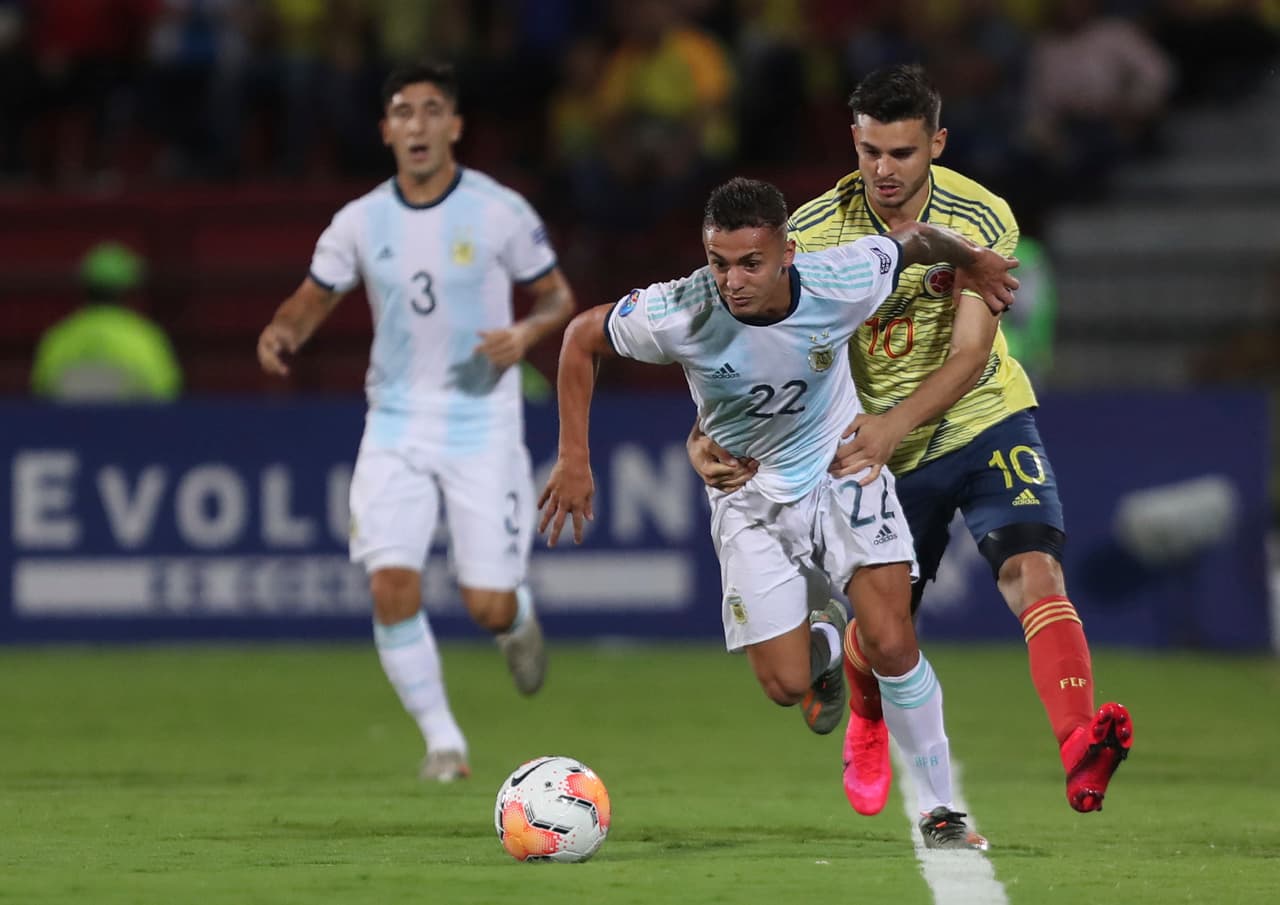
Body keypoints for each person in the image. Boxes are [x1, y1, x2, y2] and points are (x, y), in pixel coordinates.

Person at [688, 64, 1133, 818]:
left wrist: (895, 423)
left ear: (937, 143)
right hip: (870, 449)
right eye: (870, 152)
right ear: (854, 142)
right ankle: (865, 721)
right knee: (885, 632)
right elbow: (756, 344)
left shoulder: (980, 215)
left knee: (1033, 570)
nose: (884, 170)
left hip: (980, 416)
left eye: (902, 152)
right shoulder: (812, 233)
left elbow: (971, 352)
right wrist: (703, 432)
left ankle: (1078, 744)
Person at [539, 177, 1017, 849]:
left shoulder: (839, 279)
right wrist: (574, 457)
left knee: (890, 638)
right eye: (719, 262)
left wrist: (974, 259)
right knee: (786, 686)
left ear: (787, 253)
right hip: (747, 497)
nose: (732, 281)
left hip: (840, 468)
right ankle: (826, 643)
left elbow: (913, 240)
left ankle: (943, 809)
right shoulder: (680, 309)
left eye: (750, 263)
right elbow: (580, 337)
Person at [256, 61, 576, 783]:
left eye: (432, 110)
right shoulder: (360, 220)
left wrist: (525, 334)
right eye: (404, 112)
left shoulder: (499, 210)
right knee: (389, 584)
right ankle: (444, 743)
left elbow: (557, 297)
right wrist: (281, 331)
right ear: (386, 131)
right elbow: (313, 297)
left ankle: (515, 616)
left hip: (481, 421)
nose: (418, 125)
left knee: (485, 602)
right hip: (396, 421)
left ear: (455, 125)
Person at [32, 240, 182, 402]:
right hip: (132, 419)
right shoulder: (146, 338)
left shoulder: (59, 337)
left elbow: (41, 391)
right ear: (130, 290)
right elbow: (165, 392)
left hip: (68, 420)